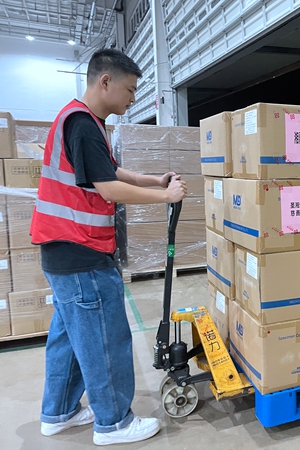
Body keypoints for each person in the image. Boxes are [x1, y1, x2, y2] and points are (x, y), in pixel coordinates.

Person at [30, 49, 187, 446]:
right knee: (104, 339)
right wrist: (166, 197)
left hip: (63, 252)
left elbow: (110, 171)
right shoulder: (82, 124)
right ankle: (114, 423)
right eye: (130, 90)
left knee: (70, 339)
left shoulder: (81, 120)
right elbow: (109, 188)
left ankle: (58, 413)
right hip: (81, 253)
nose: (133, 98)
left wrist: (154, 180)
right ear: (105, 82)